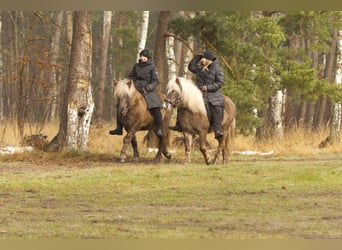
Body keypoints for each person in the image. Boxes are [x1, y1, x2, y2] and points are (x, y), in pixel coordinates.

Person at [170, 50, 225, 139]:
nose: (202, 61)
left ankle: (217, 129)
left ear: (209, 60)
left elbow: (220, 82)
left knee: (215, 106)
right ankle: (179, 124)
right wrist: (196, 57)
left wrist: (208, 87)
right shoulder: (200, 68)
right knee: (183, 102)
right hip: (198, 92)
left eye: (204, 59)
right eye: (202, 59)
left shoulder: (217, 69)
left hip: (212, 93)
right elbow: (191, 67)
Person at [109, 49, 163, 137]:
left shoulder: (152, 67)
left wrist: (148, 88)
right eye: (141, 56)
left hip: (148, 89)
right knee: (121, 104)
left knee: (156, 107)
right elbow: (130, 77)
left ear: (147, 57)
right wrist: (125, 84)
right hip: (135, 87)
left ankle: (158, 127)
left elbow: (155, 81)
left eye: (144, 56)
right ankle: (119, 128)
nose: (142, 58)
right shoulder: (136, 66)